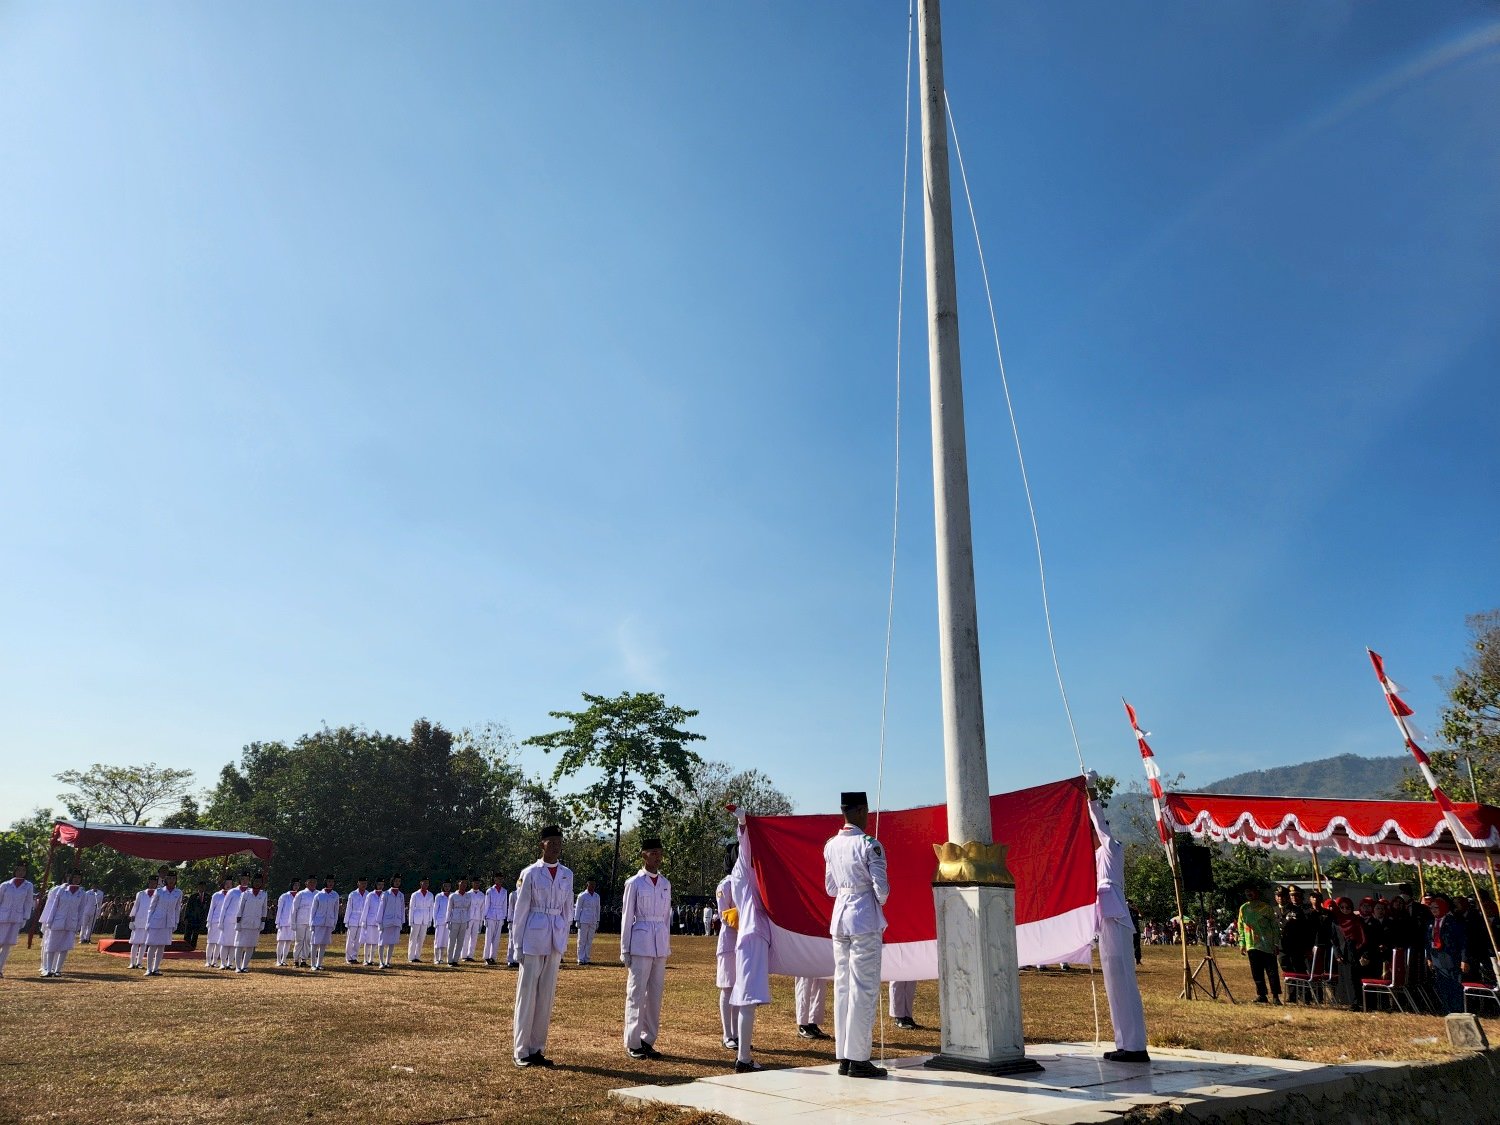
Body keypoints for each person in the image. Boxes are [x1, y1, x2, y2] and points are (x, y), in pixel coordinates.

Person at [824, 790, 889, 1080]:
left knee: (843, 987)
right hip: (863, 918)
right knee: (863, 988)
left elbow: (830, 888)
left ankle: (844, 1056)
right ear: (862, 811)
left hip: (840, 918)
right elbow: (883, 892)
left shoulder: (831, 845)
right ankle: (859, 1058)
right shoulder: (869, 844)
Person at [1086, 773, 1150, 1062]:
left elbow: (1099, 822)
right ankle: (1124, 1043)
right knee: (1113, 983)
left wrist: (1090, 793)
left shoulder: (1112, 848)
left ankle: (1136, 1046)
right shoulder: (1096, 856)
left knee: (1124, 979)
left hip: (1117, 917)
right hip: (1105, 918)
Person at [511, 825, 574, 1068]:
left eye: (559, 842)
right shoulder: (530, 873)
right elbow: (521, 911)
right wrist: (517, 944)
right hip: (534, 934)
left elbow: (568, 909)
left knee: (546, 995)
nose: (556, 846)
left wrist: (564, 938)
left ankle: (537, 1048)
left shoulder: (567, 874)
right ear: (542, 845)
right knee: (527, 994)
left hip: (555, 935)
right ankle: (521, 1050)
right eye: (551, 842)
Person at [621, 838, 673, 1060]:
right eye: (653, 853)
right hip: (640, 940)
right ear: (643, 855)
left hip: (659, 942)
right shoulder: (634, 882)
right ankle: (633, 1041)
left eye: (660, 853)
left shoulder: (665, 883)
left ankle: (647, 1039)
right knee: (636, 993)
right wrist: (625, 948)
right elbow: (626, 916)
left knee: (655, 995)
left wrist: (666, 945)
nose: (657, 857)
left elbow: (666, 918)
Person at [1237, 887, 1281, 1005]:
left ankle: (1276, 996)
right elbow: (1240, 926)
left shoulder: (1266, 908)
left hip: (1267, 944)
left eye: (1251, 891)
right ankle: (1261, 995)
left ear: (1257, 893)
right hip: (1251, 944)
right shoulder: (1244, 908)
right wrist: (1242, 943)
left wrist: (1276, 943)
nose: (1249, 893)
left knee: (1272, 971)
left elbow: (1275, 927)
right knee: (1256, 971)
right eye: (1247, 892)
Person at [39, 872, 88, 977]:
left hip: (71, 922)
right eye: (74, 877)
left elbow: (81, 910)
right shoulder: (61, 890)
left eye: (79, 878)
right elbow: (54, 907)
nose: (76, 880)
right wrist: (49, 921)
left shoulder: (82, 893)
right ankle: (47, 968)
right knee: (51, 945)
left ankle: (58, 969)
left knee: (64, 946)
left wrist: (79, 924)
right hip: (58, 920)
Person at [714, 851, 739, 1051]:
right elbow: (725, 915)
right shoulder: (725, 885)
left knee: (741, 989)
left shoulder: (748, 881)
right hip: (730, 940)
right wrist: (748, 917)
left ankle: (738, 1032)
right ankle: (727, 1034)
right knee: (728, 987)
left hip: (745, 942)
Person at [1428, 893, 1466, 1014]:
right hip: (1437, 958)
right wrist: (1429, 957)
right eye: (1431, 908)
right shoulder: (1431, 923)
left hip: (1452, 959)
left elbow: (1463, 942)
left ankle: (1457, 1011)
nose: (1433, 910)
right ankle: (1447, 1009)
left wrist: (1464, 960)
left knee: (1455, 986)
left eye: (1436, 907)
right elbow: (1428, 941)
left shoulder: (1453, 922)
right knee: (1442, 986)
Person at [1329, 897, 1367, 1011]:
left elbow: (1362, 937)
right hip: (1342, 952)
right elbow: (1333, 939)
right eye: (1342, 907)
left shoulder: (1357, 920)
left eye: (1348, 907)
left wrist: (1359, 950)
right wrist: (1337, 954)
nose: (1345, 910)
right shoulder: (1336, 922)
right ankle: (1349, 1001)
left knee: (1353, 978)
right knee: (1345, 978)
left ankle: (1356, 1003)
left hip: (1354, 951)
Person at [0, 862, 35, 978]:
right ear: (14, 871)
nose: (21, 872)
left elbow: (28, 902)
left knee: (7, 944)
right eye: (19, 870)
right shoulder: (5, 885)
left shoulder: (28, 886)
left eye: (23, 870)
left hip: (16, 918)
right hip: (2, 917)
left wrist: (25, 917)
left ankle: (0, 968)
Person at [145, 869, 182, 976]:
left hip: (168, 922)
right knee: (152, 945)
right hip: (156, 920)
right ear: (166, 879)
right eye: (169, 878)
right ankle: (149, 968)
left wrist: (176, 922)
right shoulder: (159, 891)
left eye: (173, 878)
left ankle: (156, 968)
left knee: (162, 946)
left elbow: (177, 909)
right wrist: (148, 922)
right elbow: (151, 907)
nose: (171, 880)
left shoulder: (178, 892)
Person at [229, 873, 269, 973]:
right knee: (239, 945)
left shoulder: (263, 894)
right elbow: (240, 909)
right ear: (252, 882)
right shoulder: (245, 893)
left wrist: (262, 922)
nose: (257, 883)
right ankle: (238, 966)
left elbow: (264, 909)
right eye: (255, 881)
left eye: (259, 882)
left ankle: (245, 965)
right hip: (244, 923)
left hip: (255, 924)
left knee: (251, 945)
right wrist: (238, 923)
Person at [128, 874, 160, 969]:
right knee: (135, 942)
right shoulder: (141, 893)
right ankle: (132, 962)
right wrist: (132, 918)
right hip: (139, 920)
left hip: (149, 921)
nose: (152, 884)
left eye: (155, 883)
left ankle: (139, 962)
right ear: (148, 882)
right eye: (151, 882)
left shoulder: (158, 894)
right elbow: (136, 906)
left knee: (143, 943)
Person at [309, 877, 340, 971]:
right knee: (315, 943)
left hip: (328, 922)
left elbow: (336, 910)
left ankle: (319, 964)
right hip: (318, 922)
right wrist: (311, 923)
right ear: (325, 882)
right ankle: (313, 964)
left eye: (332, 882)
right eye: (329, 881)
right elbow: (313, 910)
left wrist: (334, 922)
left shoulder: (335, 895)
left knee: (323, 944)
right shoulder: (319, 895)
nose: (330, 883)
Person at [376, 875, 405, 969]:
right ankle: (381, 962)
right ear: (392, 881)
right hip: (386, 921)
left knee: (392, 942)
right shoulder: (386, 894)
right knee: (382, 942)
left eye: (399, 881)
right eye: (396, 881)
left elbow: (402, 909)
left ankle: (388, 961)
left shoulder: (401, 895)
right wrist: (379, 922)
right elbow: (381, 908)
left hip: (396, 921)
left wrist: (402, 921)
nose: (397, 883)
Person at [206, 875, 234, 969]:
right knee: (211, 942)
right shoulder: (216, 895)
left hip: (225, 923)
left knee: (219, 943)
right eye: (226, 883)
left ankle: (215, 961)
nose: (228, 885)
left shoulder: (233, 894)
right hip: (215, 921)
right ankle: (208, 961)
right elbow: (211, 909)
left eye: (230, 884)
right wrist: (209, 921)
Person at [483, 874, 511, 966]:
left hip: (499, 915)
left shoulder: (504, 891)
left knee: (496, 938)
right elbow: (486, 904)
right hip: (490, 914)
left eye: (501, 879)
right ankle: (486, 957)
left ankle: (493, 957)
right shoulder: (490, 891)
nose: (499, 880)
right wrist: (485, 917)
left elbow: (504, 905)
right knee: (489, 937)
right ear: (494, 880)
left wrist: (504, 916)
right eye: (497, 879)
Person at [408, 877, 437, 963]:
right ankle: (411, 957)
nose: (426, 884)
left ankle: (417, 956)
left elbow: (431, 908)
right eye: (424, 883)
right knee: (413, 938)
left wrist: (429, 920)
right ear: (421, 883)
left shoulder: (430, 895)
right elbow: (411, 908)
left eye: (427, 883)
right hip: (416, 917)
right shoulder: (415, 894)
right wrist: (410, 920)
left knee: (421, 938)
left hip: (425, 918)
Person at [358, 879, 386, 966]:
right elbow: (366, 908)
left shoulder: (385, 895)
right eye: (379, 884)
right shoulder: (370, 895)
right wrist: (363, 921)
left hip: (379, 922)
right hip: (370, 920)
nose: (380, 886)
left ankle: (371, 959)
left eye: (382, 884)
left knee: (375, 941)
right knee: (368, 941)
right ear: (375, 885)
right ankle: (365, 959)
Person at [445, 878, 472, 967]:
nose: (463, 885)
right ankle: (449, 960)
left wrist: (468, 920)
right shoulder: (453, 896)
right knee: (452, 941)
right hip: (454, 919)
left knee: (460, 941)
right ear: (458, 884)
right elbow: (449, 909)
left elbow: (469, 909)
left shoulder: (468, 896)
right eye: (462, 883)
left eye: (465, 884)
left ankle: (455, 960)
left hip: (464, 919)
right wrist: (447, 921)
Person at [292, 878, 318, 967]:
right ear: (306, 883)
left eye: (314, 882)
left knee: (308, 941)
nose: (312, 884)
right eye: (310, 882)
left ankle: (304, 960)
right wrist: (293, 922)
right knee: (299, 941)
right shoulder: (301, 894)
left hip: (311, 921)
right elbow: (294, 909)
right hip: (300, 920)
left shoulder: (318, 894)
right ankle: (296, 960)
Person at [575, 879, 601, 965]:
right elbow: (578, 908)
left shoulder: (597, 896)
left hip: (593, 920)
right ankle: (580, 958)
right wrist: (577, 920)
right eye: (591, 885)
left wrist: (598, 920)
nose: (592, 887)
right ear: (587, 885)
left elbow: (598, 909)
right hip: (584, 919)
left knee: (589, 940)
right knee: (582, 940)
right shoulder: (582, 895)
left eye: (594, 885)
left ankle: (587, 958)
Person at [343, 878, 368, 965]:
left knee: (358, 940)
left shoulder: (368, 894)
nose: (363, 885)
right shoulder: (353, 894)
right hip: (353, 918)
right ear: (358, 884)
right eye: (362, 883)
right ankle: (348, 958)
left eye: (365, 883)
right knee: (350, 939)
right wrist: (346, 921)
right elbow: (349, 908)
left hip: (362, 919)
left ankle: (354, 957)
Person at [274, 880, 298, 966]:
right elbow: (279, 910)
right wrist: (277, 922)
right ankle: (278, 960)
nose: (296, 887)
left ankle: (284, 960)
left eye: (298, 885)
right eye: (295, 884)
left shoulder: (299, 896)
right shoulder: (284, 896)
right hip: (283, 922)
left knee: (288, 942)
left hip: (292, 923)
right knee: (280, 941)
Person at [181, 881, 211, 950]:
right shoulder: (193, 896)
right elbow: (188, 907)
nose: (202, 888)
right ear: (198, 887)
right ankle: (185, 947)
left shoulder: (208, 897)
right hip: (191, 919)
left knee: (195, 935)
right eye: (200, 886)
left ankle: (192, 948)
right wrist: (185, 918)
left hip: (200, 920)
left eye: (203, 886)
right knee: (187, 934)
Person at [463, 879, 485, 963]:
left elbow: (483, 907)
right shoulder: (468, 894)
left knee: (474, 937)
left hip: (477, 917)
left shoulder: (482, 894)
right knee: (466, 936)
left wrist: (481, 919)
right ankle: (464, 955)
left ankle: (470, 955)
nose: (476, 884)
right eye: (475, 883)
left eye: (478, 883)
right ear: (472, 883)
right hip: (469, 917)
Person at [432, 880, 453, 964]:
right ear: (443, 887)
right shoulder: (439, 896)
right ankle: (436, 958)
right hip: (440, 921)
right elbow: (435, 909)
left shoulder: (452, 895)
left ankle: (441, 958)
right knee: (438, 940)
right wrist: (435, 921)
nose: (447, 888)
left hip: (449, 921)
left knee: (445, 940)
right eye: (445, 886)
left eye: (448, 886)